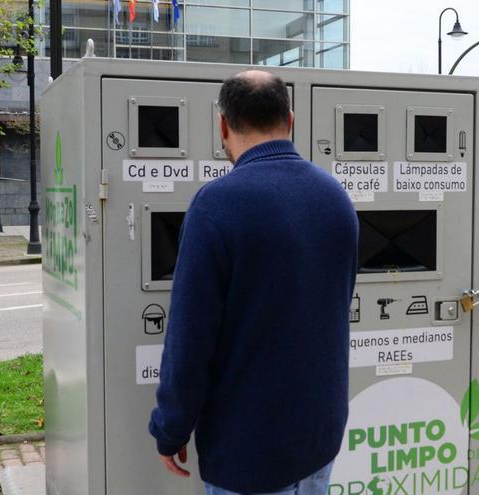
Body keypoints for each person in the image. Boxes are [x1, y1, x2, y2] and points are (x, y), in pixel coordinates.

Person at [149, 70, 359, 495]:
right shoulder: (335, 196)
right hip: (319, 437)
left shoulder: (217, 205)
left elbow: (190, 339)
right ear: (291, 120)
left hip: (248, 452)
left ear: (223, 125)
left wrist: (170, 429)